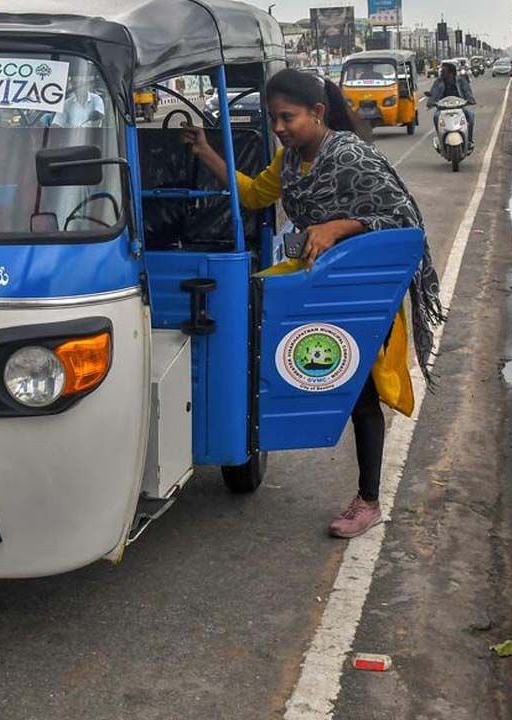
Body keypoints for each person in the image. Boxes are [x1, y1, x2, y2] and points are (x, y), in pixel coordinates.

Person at [182, 69, 444, 539]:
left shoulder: (349, 155)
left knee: (359, 392)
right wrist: (205, 152)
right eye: (273, 118)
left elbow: (402, 218)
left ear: (318, 112)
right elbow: (252, 193)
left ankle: (368, 500)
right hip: (312, 284)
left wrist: (338, 227)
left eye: (288, 117)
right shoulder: (289, 160)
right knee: (254, 333)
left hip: (356, 287)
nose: (279, 127)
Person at [426, 61, 476, 150]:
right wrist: (431, 102)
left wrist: (470, 99)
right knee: (436, 117)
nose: (441, 73)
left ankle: (469, 141)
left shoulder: (461, 81)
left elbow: (467, 91)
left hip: (459, 108)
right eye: (441, 71)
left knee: (471, 116)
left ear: (451, 73)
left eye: (443, 71)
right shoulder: (438, 82)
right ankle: (440, 141)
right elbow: (433, 93)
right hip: (443, 109)